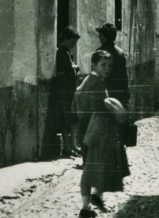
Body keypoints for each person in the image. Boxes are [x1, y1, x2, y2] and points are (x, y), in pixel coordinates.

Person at [74, 50, 130, 217]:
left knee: (97, 166)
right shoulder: (96, 83)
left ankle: (93, 200)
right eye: (103, 65)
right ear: (94, 65)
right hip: (95, 130)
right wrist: (114, 112)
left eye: (109, 66)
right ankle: (86, 208)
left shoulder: (89, 80)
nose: (107, 69)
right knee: (94, 167)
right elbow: (98, 109)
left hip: (88, 128)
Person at [54, 27, 81, 157]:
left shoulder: (66, 52)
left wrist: (74, 68)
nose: (73, 45)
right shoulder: (61, 52)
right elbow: (71, 71)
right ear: (65, 39)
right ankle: (68, 147)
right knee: (66, 120)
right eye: (72, 42)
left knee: (73, 119)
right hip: (65, 91)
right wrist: (75, 68)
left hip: (69, 90)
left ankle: (73, 145)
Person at [95, 22, 131, 109]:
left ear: (104, 37)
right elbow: (124, 75)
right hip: (118, 92)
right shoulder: (120, 52)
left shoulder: (99, 52)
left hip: (104, 92)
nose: (98, 36)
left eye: (100, 34)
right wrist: (126, 93)